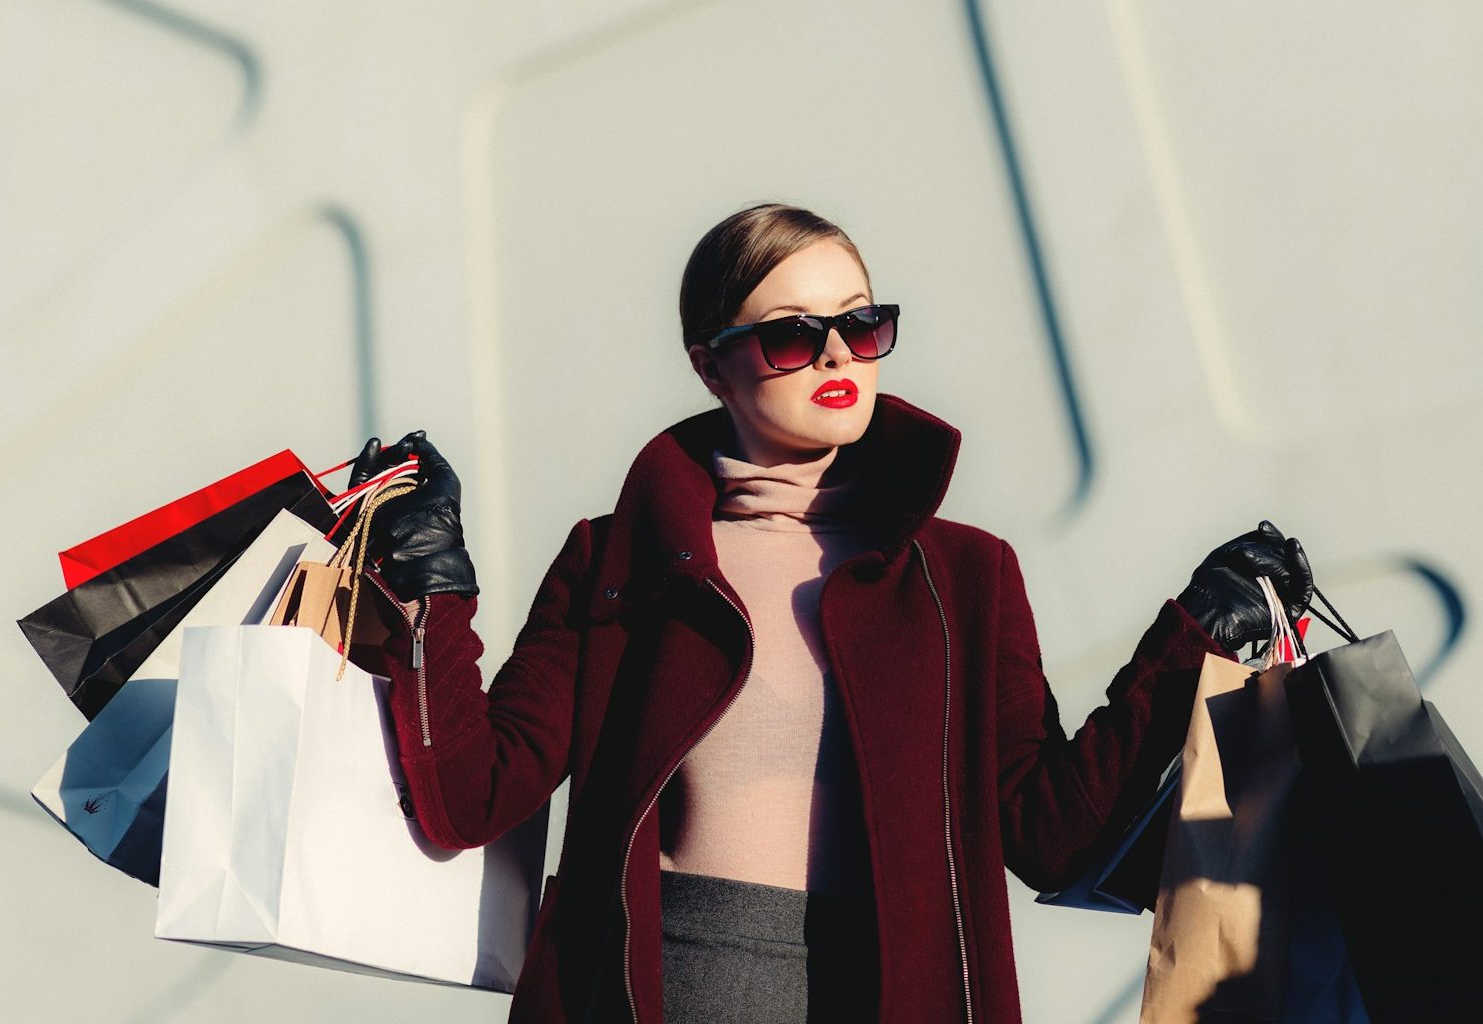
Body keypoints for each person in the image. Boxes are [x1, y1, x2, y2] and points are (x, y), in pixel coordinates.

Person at [349, 203, 1313, 1024]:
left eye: (861, 324)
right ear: (710, 365)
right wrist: (433, 588)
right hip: (665, 990)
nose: (836, 357)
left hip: (895, 991)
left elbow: (1048, 834)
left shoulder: (964, 575)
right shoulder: (620, 560)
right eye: (790, 336)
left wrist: (1190, 642)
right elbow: (470, 795)